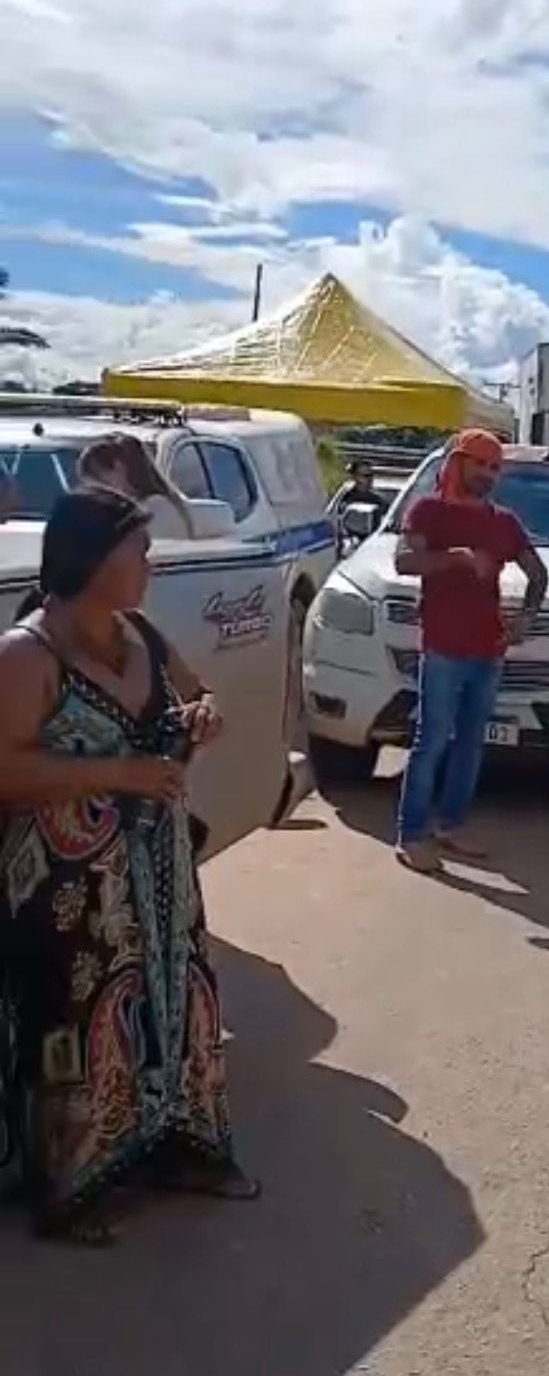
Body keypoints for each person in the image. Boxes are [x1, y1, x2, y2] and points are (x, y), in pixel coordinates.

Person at [0, 487, 257, 1245]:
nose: (148, 565)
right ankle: (72, 1184)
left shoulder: (140, 632)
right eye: (136, 551)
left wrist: (204, 713)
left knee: (177, 1003)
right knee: (74, 1026)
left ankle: (179, 1147)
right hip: (68, 888)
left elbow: (199, 692)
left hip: (161, 870)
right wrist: (119, 774)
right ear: (92, 557)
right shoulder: (27, 654)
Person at [394, 431, 548, 874]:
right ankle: (412, 834)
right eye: (481, 463)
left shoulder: (504, 523)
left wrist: (525, 620)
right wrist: (458, 557)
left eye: (496, 467)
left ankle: (452, 824)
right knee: (432, 741)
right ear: (459, 462)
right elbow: (405, 561)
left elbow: (537, 574)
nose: (489, 474)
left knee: (470, 743)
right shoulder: (428, 511)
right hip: (442, 646)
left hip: (488, 649)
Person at [78, 433, 195, 538]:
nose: (96, 493)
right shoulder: (134, 511)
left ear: (118, 468)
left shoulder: (155, 508)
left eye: (99, 480)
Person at [330, 459, 391, 527]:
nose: (370, 479)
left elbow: (387, 523)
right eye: (365, 476)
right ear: (355, 477)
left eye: (371, 475)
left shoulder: (379, 501)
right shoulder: (345, 499)